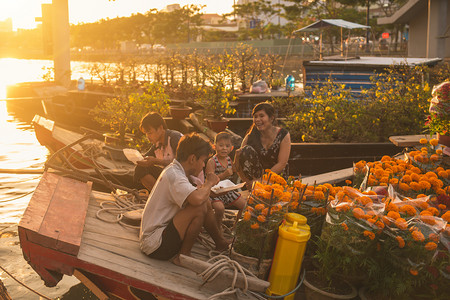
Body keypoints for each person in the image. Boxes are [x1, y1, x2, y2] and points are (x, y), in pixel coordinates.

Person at [139, 133, 230, 262]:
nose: (204, 165)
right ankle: (184, 255)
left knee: (205, 202)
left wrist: (206, 189)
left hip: (158, 238)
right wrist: (209, 183)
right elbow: (197, 200)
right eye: (203, 161)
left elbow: (199, 196)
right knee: (199, 206)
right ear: (192, 159)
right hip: (155, 245)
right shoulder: (175, 175)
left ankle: (220, 242)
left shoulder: (177, 170)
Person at [235, 102, 291, 185]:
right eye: (255, 116)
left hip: (277, 179)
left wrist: (262, 180)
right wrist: (248, 182)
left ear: (271, 118)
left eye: (261, 116)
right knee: (245, 150)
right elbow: (238, 164)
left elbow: (282, 163)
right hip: (254, 182)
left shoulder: (283, 135)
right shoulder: (250, 137)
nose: (257, 119)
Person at [205, 132, 247, 229]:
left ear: (231, 148)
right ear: (214, 146)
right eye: (221, 145)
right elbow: (209, 181)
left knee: (244, 205)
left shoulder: (228, 159)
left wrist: (238, 157)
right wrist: (224, 175)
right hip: (215, 193)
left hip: (227, 191)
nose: (224, 148)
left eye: (227, 146)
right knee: (220, 209)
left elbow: (235, 169)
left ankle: (235, 227)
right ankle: (217, 228)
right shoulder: (212, 162)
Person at [134, 112, 182, 191]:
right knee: (141, 168)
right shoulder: (157, 144)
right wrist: (138, 157)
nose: (148, 137)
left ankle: (163, 197)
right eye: (146, 134)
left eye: (150, 133)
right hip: (170, 177)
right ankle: (159, 195)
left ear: (160, 128)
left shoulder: (174, 138)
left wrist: (156, 161)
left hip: (184, 179)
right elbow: (145, 158)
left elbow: (182, 164)